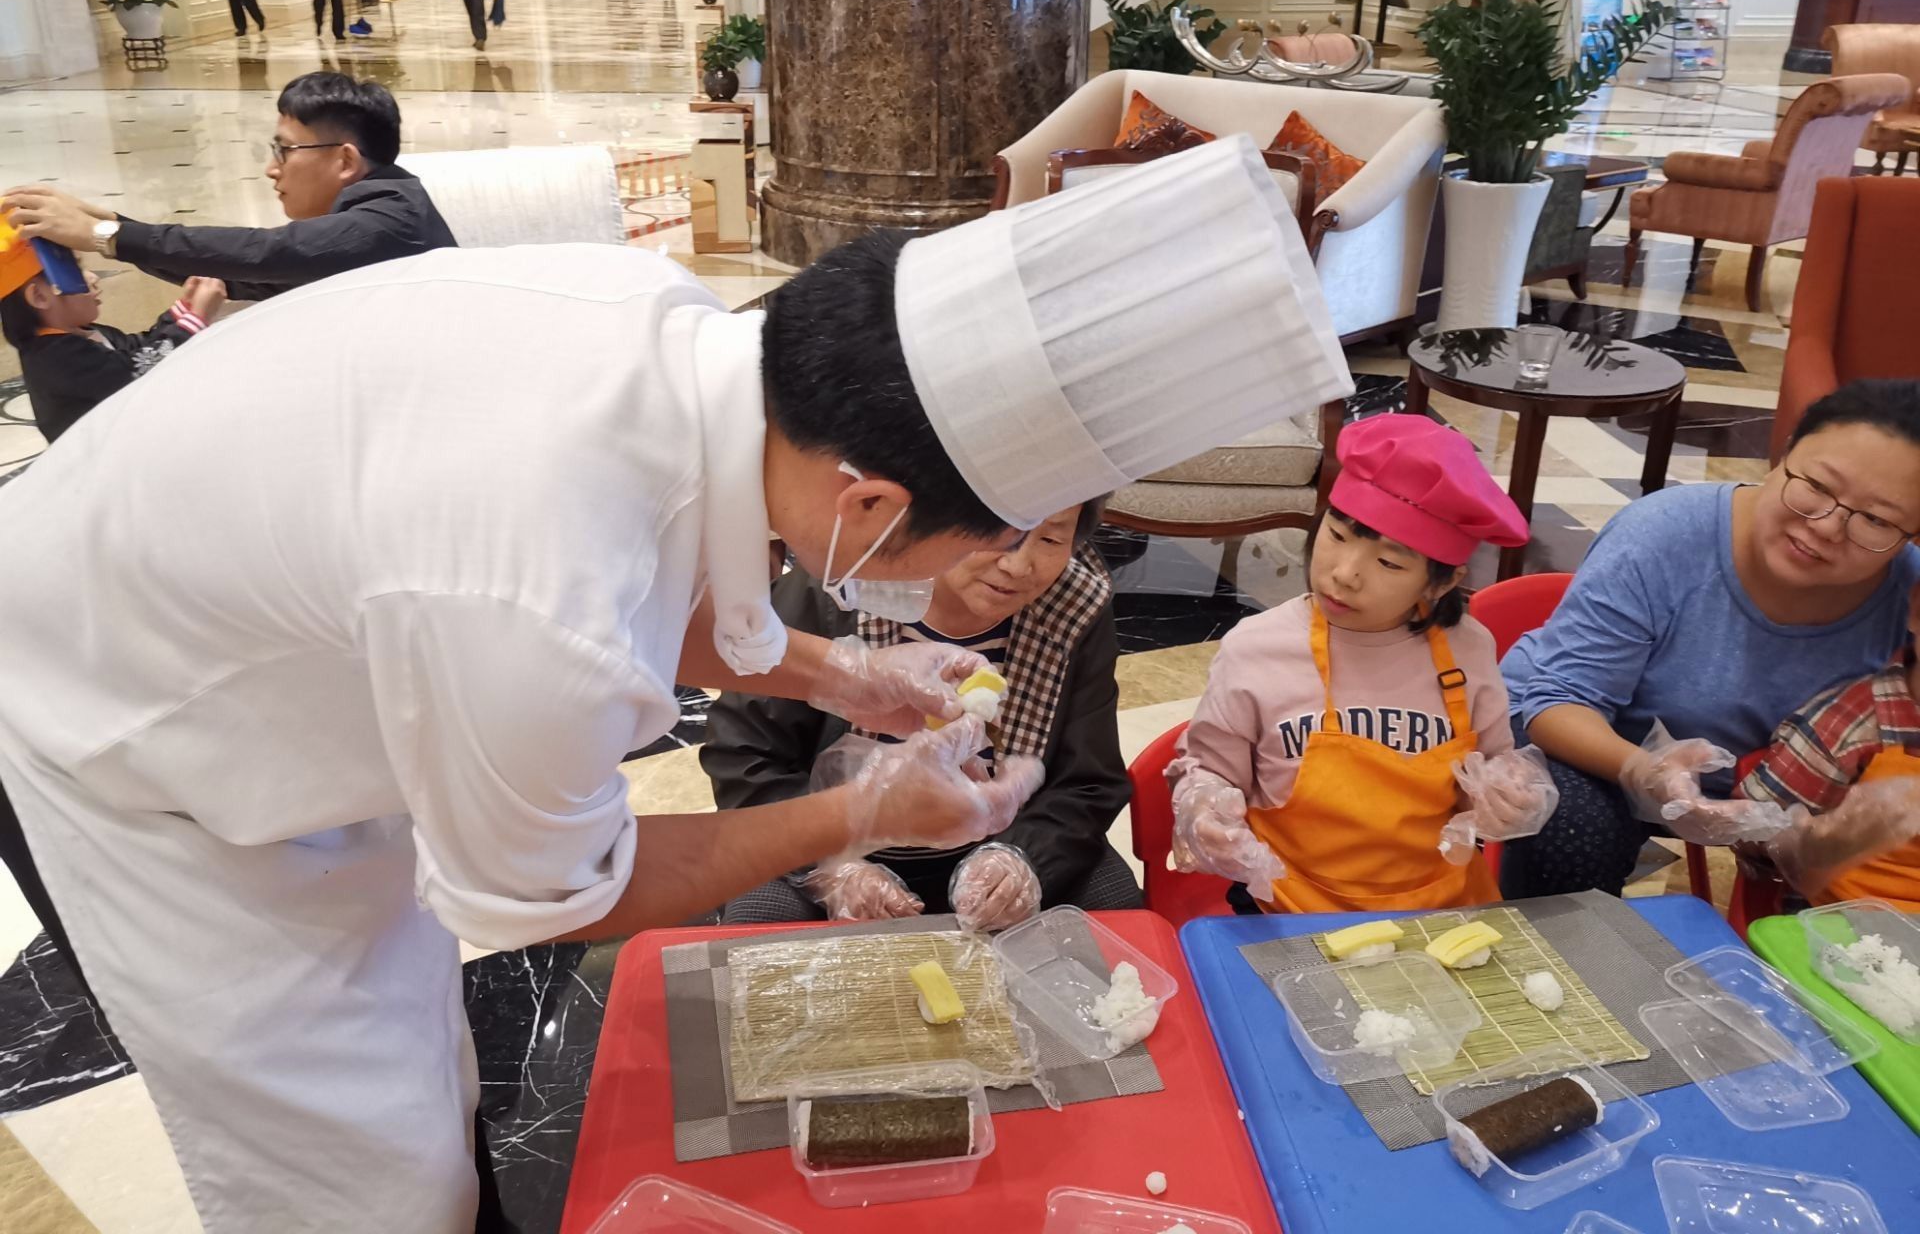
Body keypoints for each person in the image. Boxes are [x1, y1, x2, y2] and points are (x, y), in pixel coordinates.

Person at [0, 134, 1350, 1232]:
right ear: (870, 504)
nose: (1000, 574)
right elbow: (566, 894)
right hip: (118, 726)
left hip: (318, 620)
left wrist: (837, 672)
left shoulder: (680, 334)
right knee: (361, 1179)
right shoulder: (535, 597)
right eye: (982, 543)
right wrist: (861, 813)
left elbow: (647, 578)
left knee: (421, 1053)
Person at [1500, 379, 1920, 898]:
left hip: (1763, 792)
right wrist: (1643, 770)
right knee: (1577, 832)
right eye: (1816, 486)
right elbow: (1560, 701)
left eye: (1876, 519)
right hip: (1583, 742)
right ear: (1784, 454)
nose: (1827, 527)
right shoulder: (1665, 535)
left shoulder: (1908, 594)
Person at [705, 494, 1140, 932]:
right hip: (827, 835)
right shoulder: (840, 584)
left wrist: (1020, 860)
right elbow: (745, 756)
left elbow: (1086, 781)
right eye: (1002, 530)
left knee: (1117, 914)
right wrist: (836, 866)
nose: (1017, 565)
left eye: (1051, 539)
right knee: (756, 928)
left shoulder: (1074, 609)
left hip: (1008, 839)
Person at [1171, 414, 1553, 913]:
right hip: (1286, 904)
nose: (1346, 573)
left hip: (1438, 905)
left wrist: (1507, 793)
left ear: (1441, 582)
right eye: (1337, 534)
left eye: (1389, 562)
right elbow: (1210, 772)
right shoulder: (1255, 649)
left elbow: (1491, 764)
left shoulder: (1468, 649)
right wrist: (1203, 804)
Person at [2, 71, 455, 303]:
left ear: (345, 160)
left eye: (285, 150)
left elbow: (269, 253)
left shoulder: (392, 219)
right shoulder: (371, 223)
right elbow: (239, 276)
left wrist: (107, 236)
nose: (271, 169)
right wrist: (110, 225)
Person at [1731, 584, 1920, 910]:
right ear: (1917, 610)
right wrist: (1824, 838)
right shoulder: (1846, 729)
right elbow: (1746, 832)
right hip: (1847, 925)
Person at [0, 248, 225, 445]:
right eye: (76, 269)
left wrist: (182, 310)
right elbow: (135, 372)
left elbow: (138, 350)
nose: (93, 277)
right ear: (39, 296)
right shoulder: (55, 357)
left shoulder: (85, 333)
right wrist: (194, 320)